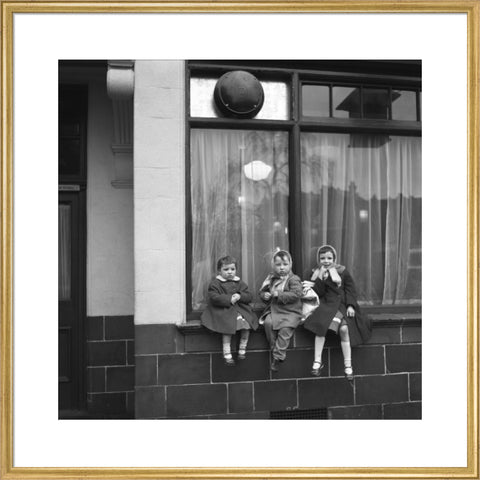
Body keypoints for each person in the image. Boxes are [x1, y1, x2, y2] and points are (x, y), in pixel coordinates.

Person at [303, 244, 371, 380]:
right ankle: (317, 361)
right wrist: (320, 277)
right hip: (327, 305)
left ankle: (348, 365)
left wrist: (351, 305)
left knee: (344, 330)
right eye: (323, 258)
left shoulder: (342, 271)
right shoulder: (317, 272)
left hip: (342, 305)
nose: (326, 261)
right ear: (319, 259)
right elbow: (319, 292)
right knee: (321, 328)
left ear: (334, 258)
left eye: (329, 258)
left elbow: (350, 290)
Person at [201, 255, 258, 366]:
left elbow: (249, 296)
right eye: (226, 269)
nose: (230, 272)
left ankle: (243, 347)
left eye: (232, 269)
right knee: (227, 327)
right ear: (219, 271)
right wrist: (228, 299)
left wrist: (240, 296)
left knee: (247, 325)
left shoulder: (240, 283)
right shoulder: (215, 283)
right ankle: (227, 352)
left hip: (240, 310)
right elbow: (214, 297)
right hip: (224, 310)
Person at [259, 249, 303, 372]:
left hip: (291, 311)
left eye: (285, 264)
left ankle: (278, 357)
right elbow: (263, 291)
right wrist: (264, 295)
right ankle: (274, 349)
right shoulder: (271, 278)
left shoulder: (293, 279)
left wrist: (278, 294)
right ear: (273, 266)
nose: (282, 268)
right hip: (274, 310)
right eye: (278, 265)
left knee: (285, 329)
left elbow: (296, 294)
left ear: (290, 265)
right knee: (268, 323)